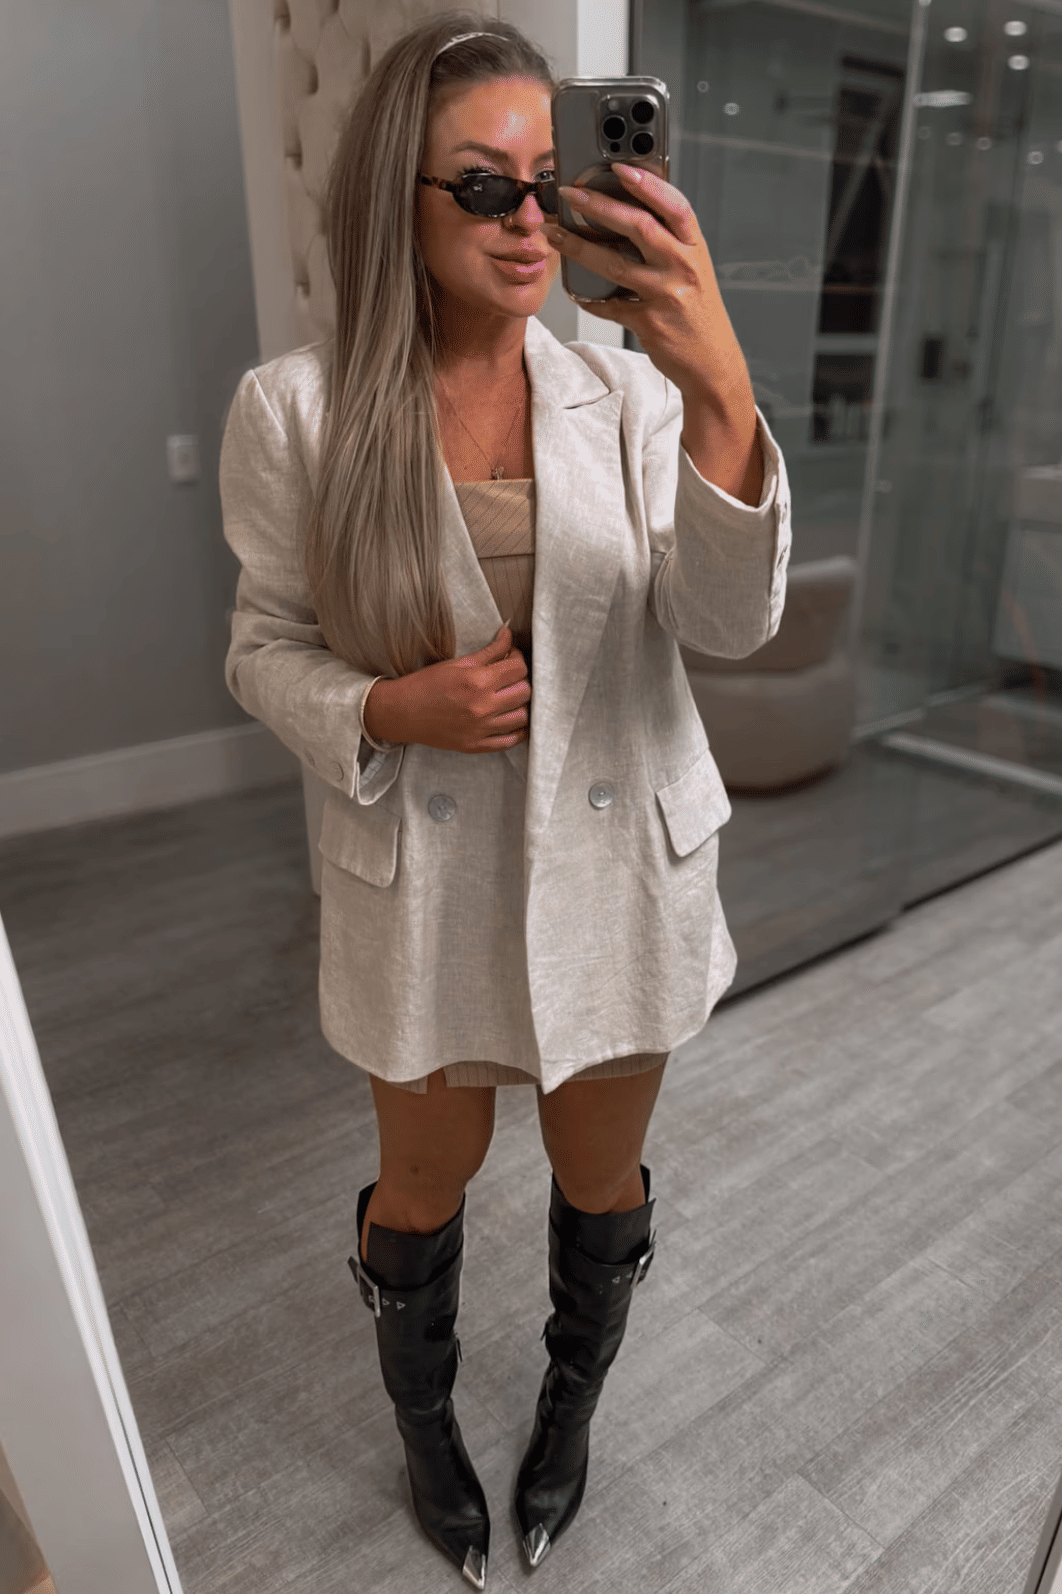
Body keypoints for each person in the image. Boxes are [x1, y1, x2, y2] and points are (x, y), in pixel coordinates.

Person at [219, 11, 790, 1590]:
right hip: (426, 883)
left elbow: (728, 624)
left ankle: (565, 1416)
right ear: (393, 202)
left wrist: (718, 380)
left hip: (618, 877)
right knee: (423, 1182)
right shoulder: (297, 411)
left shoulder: (639, 394)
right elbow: (261, 646)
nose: (531, 219)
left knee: (600, 1184)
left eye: (554, 181)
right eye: (483, 186)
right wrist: (383, 707)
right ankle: (425, 1429)